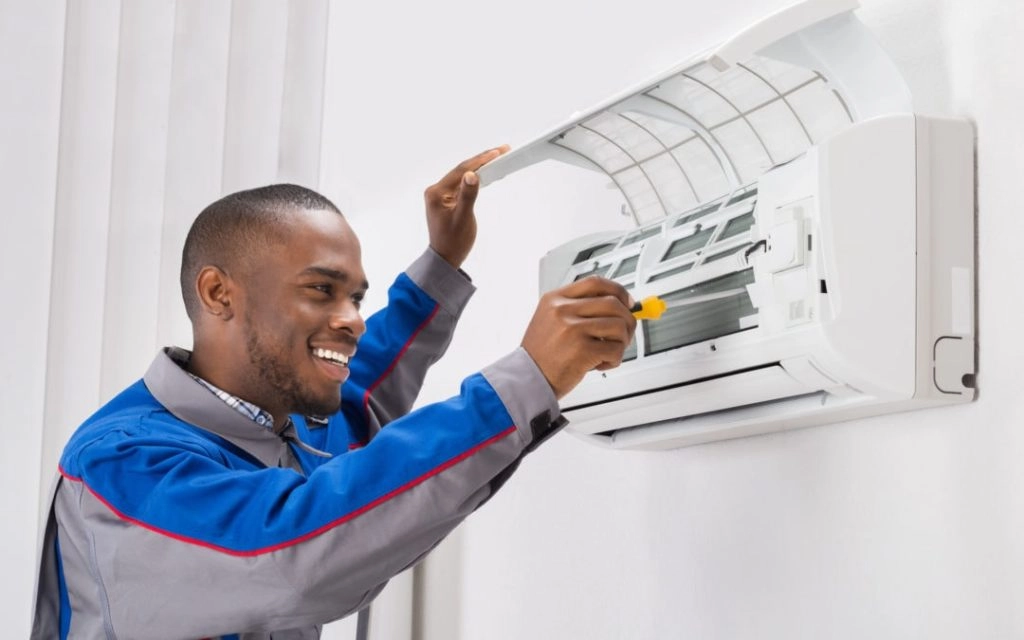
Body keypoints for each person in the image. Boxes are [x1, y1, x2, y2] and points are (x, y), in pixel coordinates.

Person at [30, 147, 636, 639]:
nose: (352, 319)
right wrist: (529, 377)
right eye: (321, 290)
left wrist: (442, 263)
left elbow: (363, 390)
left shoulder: (282, 416)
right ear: (219, 294)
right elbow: (290, 553)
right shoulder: (122, 465)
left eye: (357, 298)